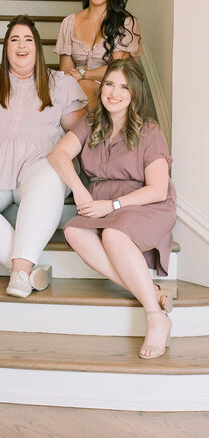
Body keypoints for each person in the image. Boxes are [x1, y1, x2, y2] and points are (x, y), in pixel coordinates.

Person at [0, 15, 88, 298]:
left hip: (40, 163)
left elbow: (82, 132)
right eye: (14, 39)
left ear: (37, 46)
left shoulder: (59, 83)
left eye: (27, 39)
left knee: (49, 178)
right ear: (5, 47)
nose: (21, 45)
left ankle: (20, 271)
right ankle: (27, 270)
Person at [48, 59, 176, 359]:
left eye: (123, 87)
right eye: (109, 84)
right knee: (74, 232)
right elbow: (59, 154)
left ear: (135, 94)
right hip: (103, 201)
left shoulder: (149, 130)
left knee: (114, 236)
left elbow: (157, 188)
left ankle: (156, 317)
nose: (114, 93)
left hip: (144, 202)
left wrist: (113, 205)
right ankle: (151, 292)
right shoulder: (90, 123)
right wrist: (80, 191)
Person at [54, 0, 142, 110]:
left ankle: (81, 131)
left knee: (79, 89)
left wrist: (83, 74)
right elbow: (66, 73)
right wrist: (78, 78)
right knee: (68, 90)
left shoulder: (125, 22)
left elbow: (117, 71)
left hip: (113, 91)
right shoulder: (69, 23)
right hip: (75, 90)